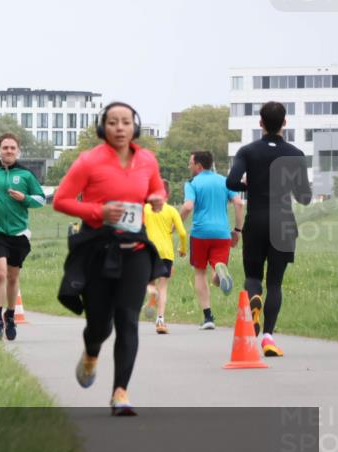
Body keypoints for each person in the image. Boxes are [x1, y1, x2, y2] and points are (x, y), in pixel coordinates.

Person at [54, 102, 165, 416]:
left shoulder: (147, 160)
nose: (120, 127)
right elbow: (61, 201)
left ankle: (120, 393)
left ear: (135, 127)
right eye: (113, 122)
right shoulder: (88, 162)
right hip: (98, 250)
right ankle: (91, 353)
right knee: (100, 325)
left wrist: (157, 200)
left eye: (126, 122)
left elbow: (157, 190)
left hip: (136, 251)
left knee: (128, 320)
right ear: (103, 128)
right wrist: (97, 212)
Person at [227, 101, 312, 357]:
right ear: (284, 123)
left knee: (254, 277)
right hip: (284, 223)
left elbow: (231, 181)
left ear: (260, 123)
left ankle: (254, 301)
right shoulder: (296, 154)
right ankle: (268, 337)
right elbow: (305, 197)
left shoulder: (248, 151)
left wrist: (249, 186)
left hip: (256, 222)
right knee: (275, 283)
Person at [0, 132, 46, 341]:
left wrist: (25, 198)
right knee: (0, 274)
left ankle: (10, 316)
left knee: (13, 277)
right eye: (5, 147)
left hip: (19, 232)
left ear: (18, 151)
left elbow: (41, 200)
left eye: (12, 148)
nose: (9, 151)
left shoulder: (26, 175)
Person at [180, 151, 244, 330]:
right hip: (222, 234)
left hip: (200, 233)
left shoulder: (192, 183)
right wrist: (237, 230)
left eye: (190, 163)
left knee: (200, 273)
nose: (189, 166)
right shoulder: (225, 181)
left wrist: (176, 223)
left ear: (199, 166)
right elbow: (239, 204)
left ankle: (208, 317)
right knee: (217, 268)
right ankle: (219, 272)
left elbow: (188, 206)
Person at [143, 181, 187, 334]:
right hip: (166, 253)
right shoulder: (172, 210)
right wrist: (182, 248)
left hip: (148, 250)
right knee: (163, 286)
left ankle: (150, 291)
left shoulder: (146, 208)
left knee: (149, 282)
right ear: (167, 194)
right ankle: (160, 320)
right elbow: (182, 233)